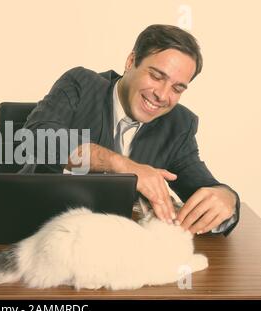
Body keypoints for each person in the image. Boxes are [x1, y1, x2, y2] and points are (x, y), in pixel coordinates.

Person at [18, 24, 239, 236]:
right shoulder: (82, 84)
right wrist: (121, 165)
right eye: (156, 76)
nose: (162, 95)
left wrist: (227, 199)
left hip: (111, 253)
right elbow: (36, 140)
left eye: (177, 88)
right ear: (131, 61)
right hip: (33, 232)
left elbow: (204, 189)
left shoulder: (179, 124)